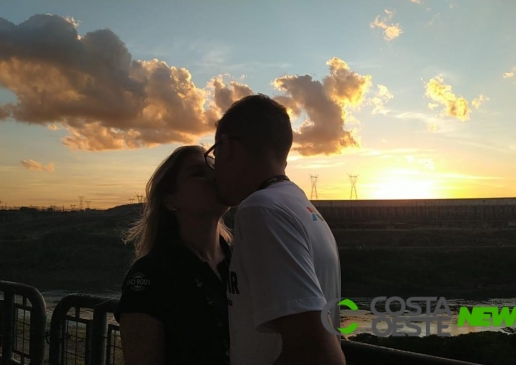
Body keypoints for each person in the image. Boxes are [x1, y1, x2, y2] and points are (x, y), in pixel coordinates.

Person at [205, 94, 346, 365]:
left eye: (214, 153)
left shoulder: (261, 210)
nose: (214, 169)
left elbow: (316, 353)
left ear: (227, 146)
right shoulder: (300, 205)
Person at [115, 145, 233, 365]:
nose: (214, 176)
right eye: (198, 172)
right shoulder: (150, 276)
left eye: (215, 168)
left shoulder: (243, 262)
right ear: (170, 199)